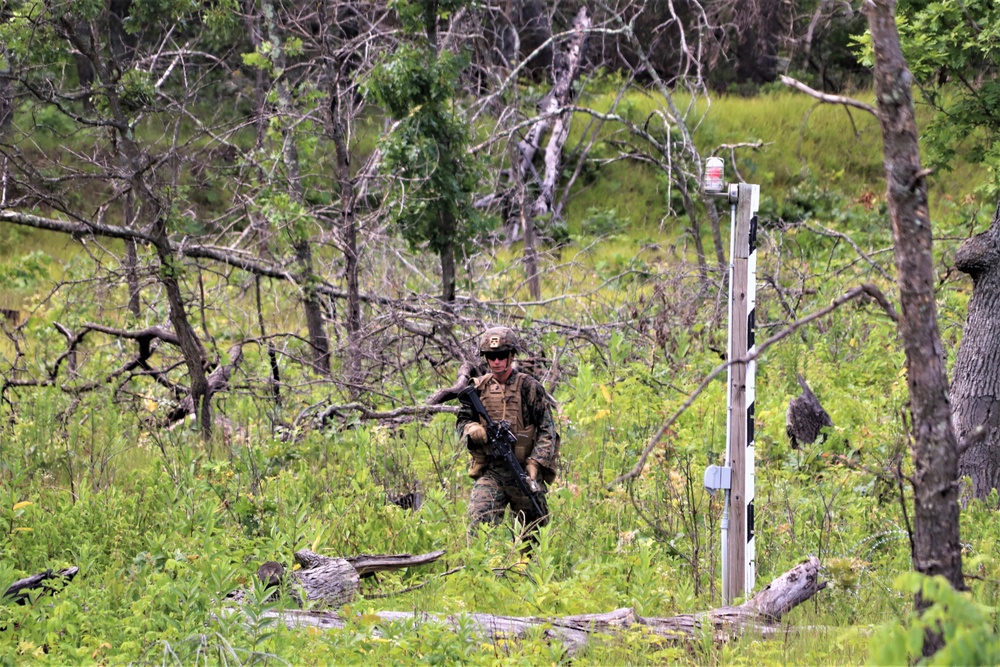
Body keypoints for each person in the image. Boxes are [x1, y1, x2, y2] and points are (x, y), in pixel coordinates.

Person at [457, 326, 559, 541]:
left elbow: (547, 429)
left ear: (512, 356)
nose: (496, 362)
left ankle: (525, 570)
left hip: (522, 470)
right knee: (479, 523)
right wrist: (473, 429)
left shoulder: (529, 387)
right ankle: (485, 569)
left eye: (502, 356)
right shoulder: (478, 389)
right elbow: (462, 421)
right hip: (492, 470)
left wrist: (535, 463)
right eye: (491, 357)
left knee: (535, 531)